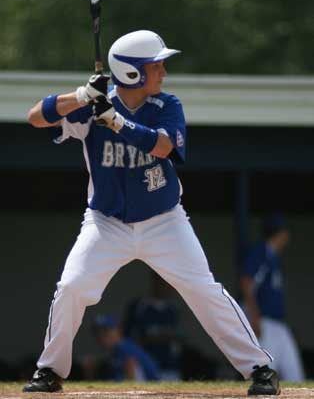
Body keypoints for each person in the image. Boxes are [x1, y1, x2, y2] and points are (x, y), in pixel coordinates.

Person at [23, 30, 279, 395]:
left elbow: (163, 147)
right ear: (132, 74)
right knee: (72, 288)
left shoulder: (167, 105)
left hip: (164, 221)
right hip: (106, 223)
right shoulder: (93, 106)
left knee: (204, 290)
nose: (163, 72)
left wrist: (116, 121)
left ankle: (260, 368)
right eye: (156, 66)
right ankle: (49, 370)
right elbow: (35, 117)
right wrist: (80, 97)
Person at [240, 213, 305, 381]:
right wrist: (254, 318)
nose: (287, 236)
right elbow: (246, 282)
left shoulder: (274, 256)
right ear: (279, 233)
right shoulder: (261, 251)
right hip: (264, 323)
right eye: (285, 231)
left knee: (295, 376)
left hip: (278, 325)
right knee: (266, 378)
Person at [123, 271, 183, 380]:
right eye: (162, 281)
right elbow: (127, 336)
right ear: (154, 281)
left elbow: (179, 337)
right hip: (145, 365)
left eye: (169, 282)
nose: (166, 285)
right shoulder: (139, 306)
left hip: (170, 366)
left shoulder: (174, 309)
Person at [84, 315, 160, 381]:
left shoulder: (125, 348)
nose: (101, 336)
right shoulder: (115, 350)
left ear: (119, 330)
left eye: (106, 331)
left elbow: (135, 379)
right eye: (97, 332)